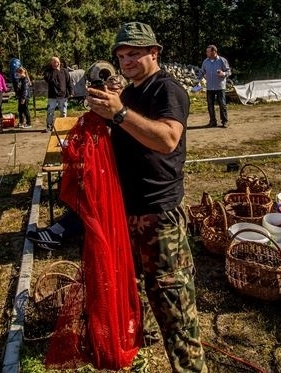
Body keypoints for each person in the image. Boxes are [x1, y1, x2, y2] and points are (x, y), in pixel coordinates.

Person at [87, 22, 206, 372]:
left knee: (176, 307)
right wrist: (106, 110)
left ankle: (191, 368)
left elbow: (167, 139)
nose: (126, 61)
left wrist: (119, 113)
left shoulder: (167, 90)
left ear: (154, 52)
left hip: (159, 216)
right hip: (128, 213)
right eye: (122, 56)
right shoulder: (131, 92)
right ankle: (146, 338)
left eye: (134, 54)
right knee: (136, 290)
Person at [27, 74, 128, 250]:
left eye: (115, 90)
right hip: (101, 171)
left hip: (119, 177)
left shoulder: (125, 116)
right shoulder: (100, 114)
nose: (109, 94)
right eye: (107, 90)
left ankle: (58, 233)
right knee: (84, 191)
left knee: (92, 198)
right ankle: (58, 230)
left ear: (123, 92)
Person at [199, 45, 231, 128]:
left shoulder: (222, 60)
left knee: (222, 104)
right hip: (210, 87)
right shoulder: (205, 61)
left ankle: (224, 121)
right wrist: (198, 80)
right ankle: (213, 122)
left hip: (220, 87)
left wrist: (223, 73)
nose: (206, 53)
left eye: (208, 51)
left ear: (214, 52)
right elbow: (202, 72)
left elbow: (229, 71)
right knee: (210, 105)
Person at [44, 56, 73, 132]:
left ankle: (62, 126)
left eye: (57, 62)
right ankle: (49, 126)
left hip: (63, 95)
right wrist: (54, 71)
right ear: (51, 63)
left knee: (63, 112)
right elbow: (48, 79)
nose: (55, 64)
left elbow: (69, 82)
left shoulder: (65, 71)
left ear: (59, 62)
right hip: (52, 95)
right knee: (50, 112)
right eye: (53, 62)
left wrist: (71, 92)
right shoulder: (48, 71)